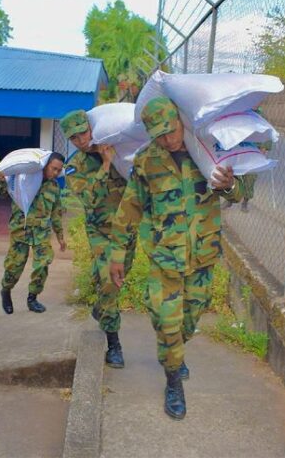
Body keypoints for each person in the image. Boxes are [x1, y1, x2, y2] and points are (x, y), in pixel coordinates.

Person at [109, 97, 243, 420]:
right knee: (169, 323)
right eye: (160, 136)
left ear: (182, 120)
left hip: (202, 256)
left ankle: (174, 349)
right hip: (164, 258)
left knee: (189, 319)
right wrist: (116, 255)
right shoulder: (147, 161)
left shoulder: (209, 150)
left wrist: (230, 185)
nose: (169, 140)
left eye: (172, 131)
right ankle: (173, 380)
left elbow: (240, 195)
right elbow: (129, 208)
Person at [59, 110, 136, 368]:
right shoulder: (75, 167)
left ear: (91, 128)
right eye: (74, 138)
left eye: (83, 132)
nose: (81, 140)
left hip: (126, 231)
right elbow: (89, 200)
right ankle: (114, 344)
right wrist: (105, 165)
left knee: (117, 278)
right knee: (110, 281)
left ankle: (101, 307)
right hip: (101, 231)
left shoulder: (122, 148)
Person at [0, 152, 66, 315]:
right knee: (14, 266)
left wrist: (60, 236)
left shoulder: (54, 187)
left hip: (41, 233)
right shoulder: (23, 179)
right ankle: (6, 290)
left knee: (42, 265)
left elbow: (56, 212)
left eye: (58, 170)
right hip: (21, 230)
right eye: (53, 169)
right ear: (45, 165)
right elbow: (2, 194)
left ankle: (32, 298)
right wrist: (1, 182)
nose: (55, 173)